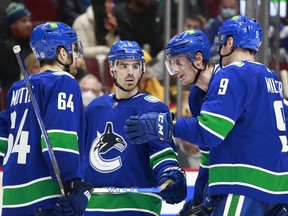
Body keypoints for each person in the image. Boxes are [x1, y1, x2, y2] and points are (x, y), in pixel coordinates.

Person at [125, 15, 288, 215]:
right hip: (276, 190)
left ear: (229, 43)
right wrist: (199, 200)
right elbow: (209, 154)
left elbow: (209, 131)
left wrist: (163, 124)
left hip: (244, 184)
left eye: (179, 62)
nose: (174, 71)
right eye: (171, 63)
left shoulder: (232, 74)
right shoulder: (269, 76)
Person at [83, 40, 187, 215]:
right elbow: (82, 154)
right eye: (123, 66)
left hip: (137, 206)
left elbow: (162, 152)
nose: (130, 72)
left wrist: (170, 173)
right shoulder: (95, 107)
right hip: (94, 206)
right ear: (112, 69)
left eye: (135, 66)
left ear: (142, 69)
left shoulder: (153, 107)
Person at [1, 21, 93, 215]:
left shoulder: (17, 89)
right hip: (46, 200)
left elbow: (3, 142)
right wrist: (73, 185)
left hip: (11, 198)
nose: (77, 56)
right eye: (73, 49)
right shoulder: (64, 81)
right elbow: (59, 142)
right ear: (62, 53)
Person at [0, 2, 33, 110]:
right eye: (23, 21)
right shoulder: (5, 47)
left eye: (29, 20)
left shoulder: (31, 43)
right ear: (12, 24)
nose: (29, 24)